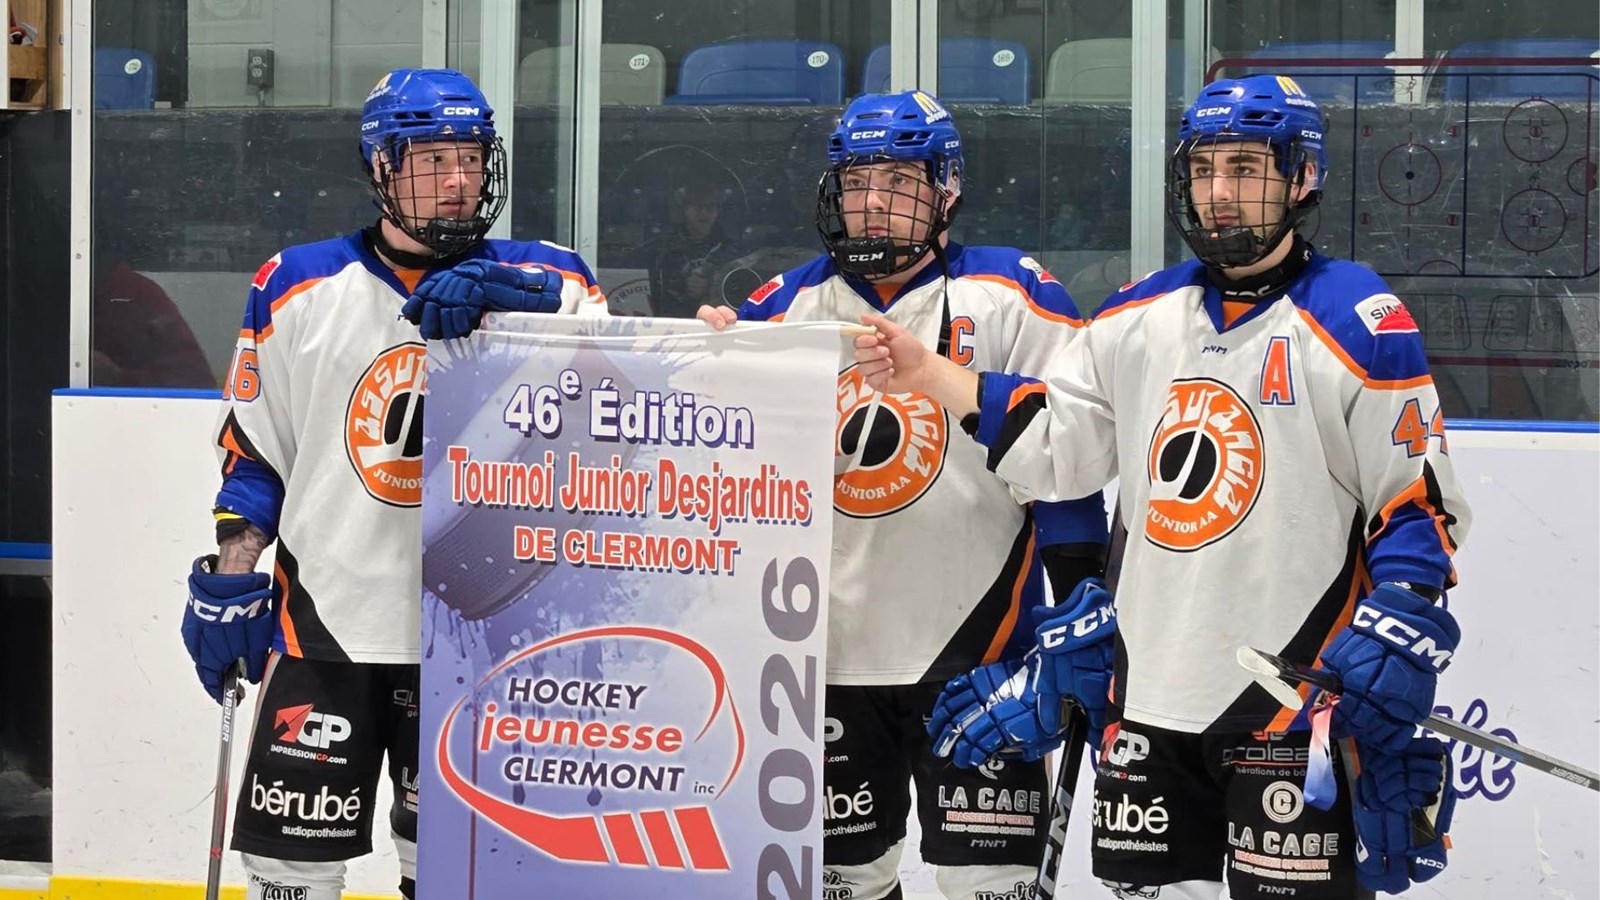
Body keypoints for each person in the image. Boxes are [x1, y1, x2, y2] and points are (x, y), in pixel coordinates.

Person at [854, 75, 1472, 899]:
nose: (1221, 193)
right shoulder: (1133, 316)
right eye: (1206, 168)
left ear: (1303, 177)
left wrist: (1403, 610)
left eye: (1247, 168)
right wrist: (929, 372)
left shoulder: (1360, 318)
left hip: (1293, 704)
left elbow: (1415, 500)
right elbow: (1058, 449)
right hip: (1148, 701)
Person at [178, 68, 607, 900]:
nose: (457, 180)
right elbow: (260, 452)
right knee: (290, 873)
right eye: (431, 159)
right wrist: (235, 569)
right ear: (381, 167)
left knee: (454, 876)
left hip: (482, 639)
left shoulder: (552, 275)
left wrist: (517, 298)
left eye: (472, 158)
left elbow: (625, 362)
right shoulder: (296, 284)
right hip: (326, 629)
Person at [698, 90, 1109, 900]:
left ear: (946, 189)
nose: (874, 202)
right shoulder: (780, 310)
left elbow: (1066, 468)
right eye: (856, 182)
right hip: (825, 660)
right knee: (847, 881)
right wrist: (703, 366)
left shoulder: (1017, 297)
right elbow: (726, 481)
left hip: (986, 656)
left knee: (988, 883)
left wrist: (1082, 601)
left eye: (899, 180)